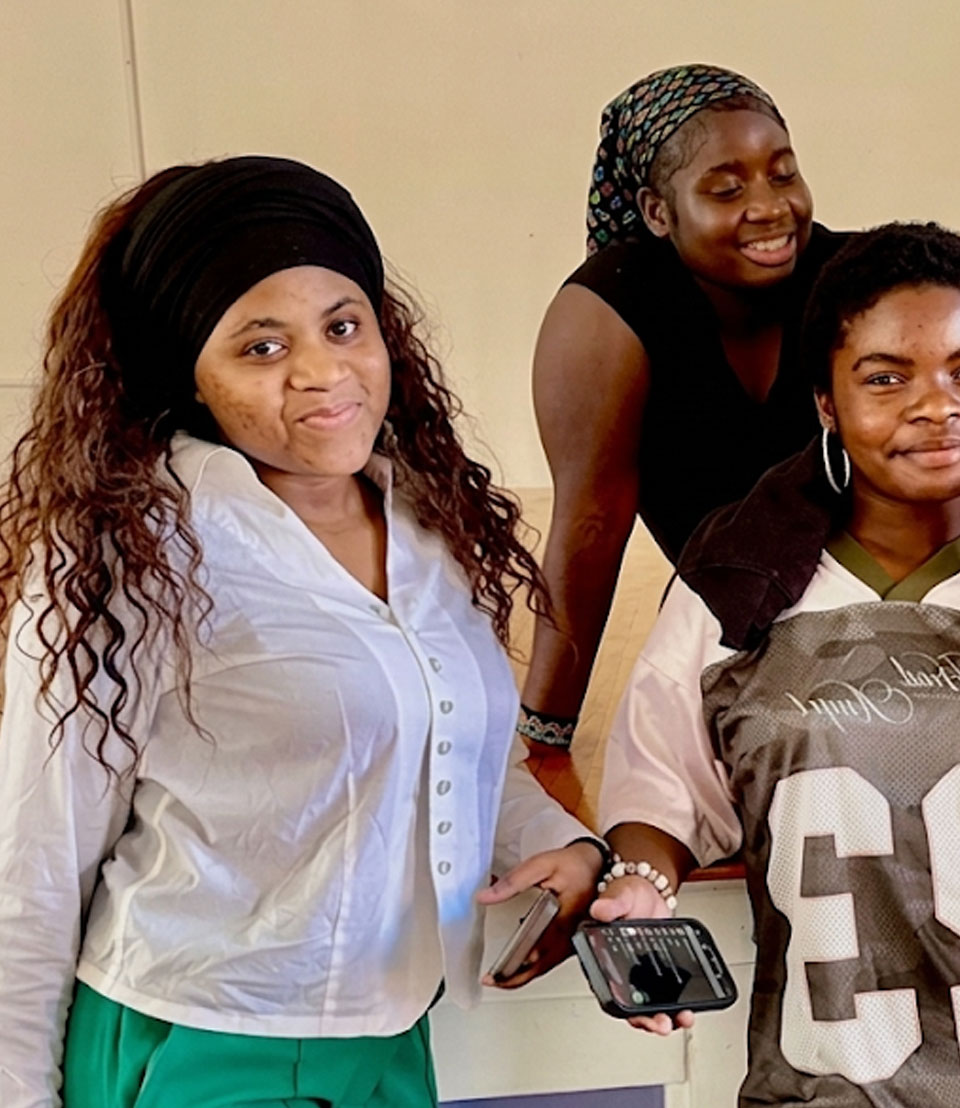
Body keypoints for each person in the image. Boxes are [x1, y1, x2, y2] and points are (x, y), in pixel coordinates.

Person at [0, 156, 605, 1108]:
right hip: (196, 1040)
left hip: (388, 1039)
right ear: (190, 374)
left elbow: (452, 748)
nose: (324, 372)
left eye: (343, 326)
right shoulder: (131, 548)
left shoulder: (423, 520)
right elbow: (34, 863)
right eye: (261, 347)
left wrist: (573, 849)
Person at [593, 223, 960, 1107]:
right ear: (826, 404)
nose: (936, 405)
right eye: (885, 377)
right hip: (837, 1088)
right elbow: (661, 794)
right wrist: (641, 885)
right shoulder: (737, 586)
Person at [519, 65, 845, 808]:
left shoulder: (847, 279)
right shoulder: (607, 314)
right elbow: (591, 524)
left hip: (872, 602)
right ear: (658, 212)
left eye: (784, 174)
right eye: (726, 189)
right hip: (724, 608)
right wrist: (543, 741)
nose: (769, 207)